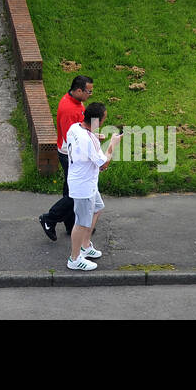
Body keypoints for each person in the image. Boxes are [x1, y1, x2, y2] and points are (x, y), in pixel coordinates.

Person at [64, 102, 121, 271]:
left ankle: (85, 245)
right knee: (81, 222)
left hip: (82, 181)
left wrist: (95, 138)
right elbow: (103, 164)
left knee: (97, 208)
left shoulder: (75, 128)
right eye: (104, 118)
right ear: (97, 121)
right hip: (83, 187)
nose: (105, 120)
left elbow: (85, 144)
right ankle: (74, 259)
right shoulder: (89, 141)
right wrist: (113, 144)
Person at [38, 75, 93, 241]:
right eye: (88, 91)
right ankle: (49, 218)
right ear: (78, 90)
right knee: (76, 194)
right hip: (71, 155)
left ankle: (71, 225)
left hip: (68, 153)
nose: (91, 94)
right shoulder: (70, 110)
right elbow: (73, 139)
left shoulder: (74, 101)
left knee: (70, 189)